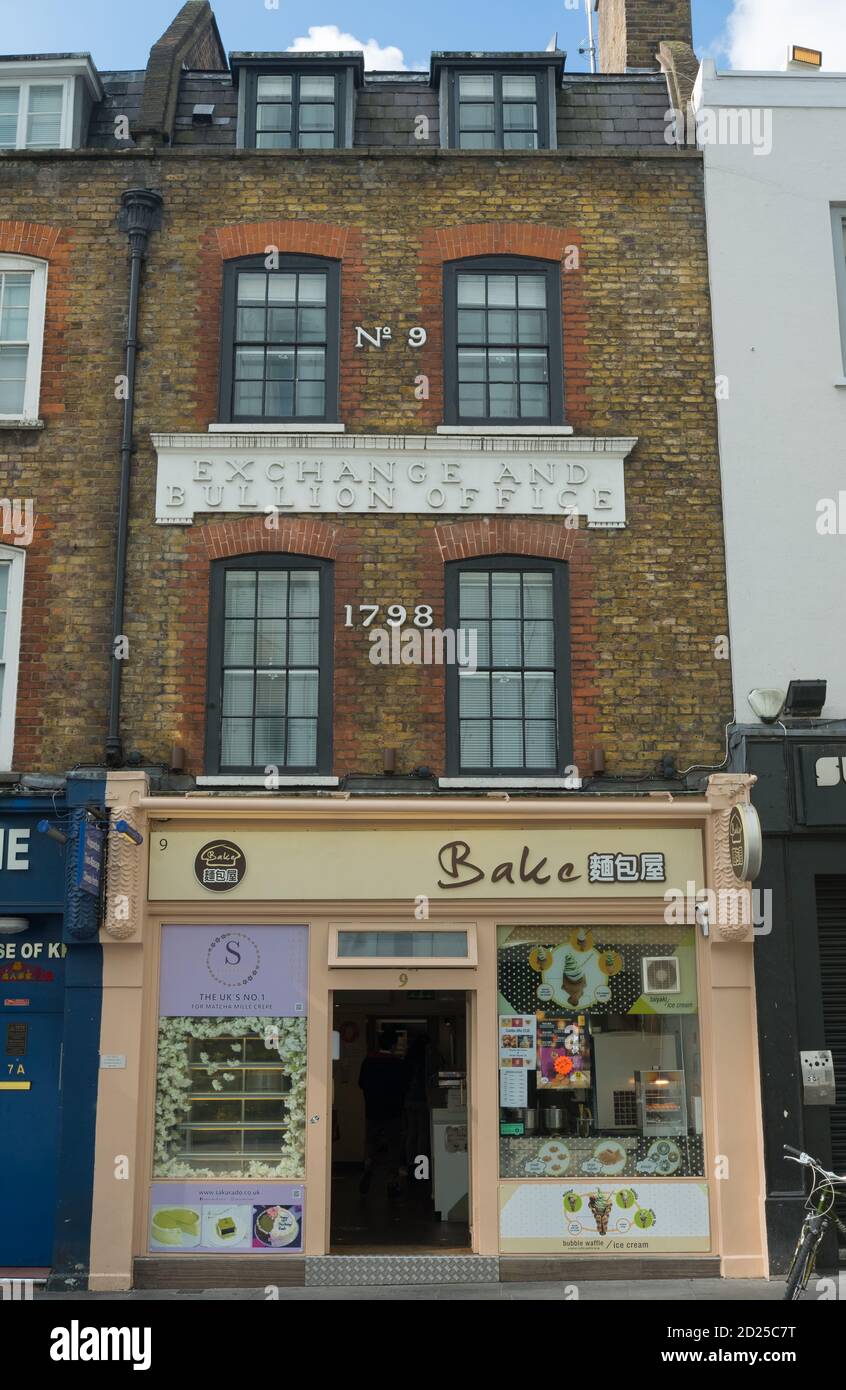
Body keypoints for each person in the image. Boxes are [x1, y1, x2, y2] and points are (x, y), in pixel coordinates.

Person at [358, 1026, 407, 1196]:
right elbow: (403, 1087)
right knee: (393, 1147)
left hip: (372, 1110)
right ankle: (392, 1181)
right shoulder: (397, 1064)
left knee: (371, 1142)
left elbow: (361, 1084)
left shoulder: (368, 1061)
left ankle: (368, 1164)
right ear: (393, 1045)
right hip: (393, 1112)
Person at [402, 1033, 432, 1187]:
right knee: (422, 1133)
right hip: (421, 1099)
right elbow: (428, 1079)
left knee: (411, 1133)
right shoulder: (425, 1059)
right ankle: (422, 1168)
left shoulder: (408, 1058)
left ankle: (410, 1165)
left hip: (408, 1099)